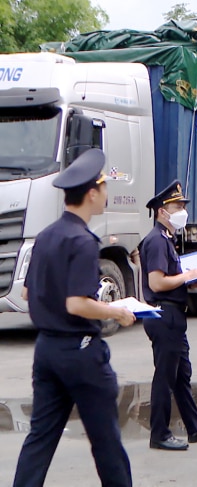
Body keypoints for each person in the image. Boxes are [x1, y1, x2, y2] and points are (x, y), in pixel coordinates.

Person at [13, 148, 136, 487]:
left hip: (47, 351)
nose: (106, 194)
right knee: (106, 441)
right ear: (92, 193)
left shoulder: (46, 236)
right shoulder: (82, 241)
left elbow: (26, 293)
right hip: (80, 353)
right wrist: (116, 311)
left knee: (40, 439)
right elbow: (77, 304)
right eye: (104, 188)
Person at [140, 180, 197, 451]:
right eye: (177, 206)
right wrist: (186, 276)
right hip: (164, 316)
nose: (182, 211)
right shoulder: (155, 241)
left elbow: (172, 279)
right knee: (165, 376)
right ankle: (159, 434)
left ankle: (195, 427)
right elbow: (156, 283)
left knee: (181, 374)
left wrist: (193, 283)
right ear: (162, 211)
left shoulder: (167, 239)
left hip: (174, 315)